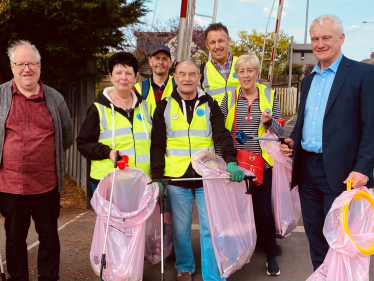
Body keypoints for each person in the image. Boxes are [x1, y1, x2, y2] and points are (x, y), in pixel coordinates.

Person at [280, 15, 374, 271]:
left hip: (344, 173)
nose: (320, 44)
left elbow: (371, 126)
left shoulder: (364, 73)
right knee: (317, 239)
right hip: (307, 171)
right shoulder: (308, 80)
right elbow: (304, 122)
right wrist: (293, 141)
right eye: (315, 39)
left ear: (341, 39)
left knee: (342, 242)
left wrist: (364, 168)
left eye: (326, 38)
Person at [151, 59, 244, 281]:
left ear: (199, 78)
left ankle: (213, 273)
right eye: (182, 74)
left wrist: (231, 160)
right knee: (181, 230)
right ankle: (185, 267)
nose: (187, 78)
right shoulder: (164, 107)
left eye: (192, 74)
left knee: (210, 228)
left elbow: (222, 135)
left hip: (206, 176)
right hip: (176, 178)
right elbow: (157, 145)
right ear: (175, 77)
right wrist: (157, 177)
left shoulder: (210, 104)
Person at [0, 40, 73, 281]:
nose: (26, 69)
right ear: (12, 66)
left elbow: (67, 136)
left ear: (39, 66)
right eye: (20, 64)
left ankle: (49, 278)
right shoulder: (0, 96)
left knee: (49, 236)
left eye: (31, 63)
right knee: (14, 238)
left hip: (46, 184)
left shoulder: (55, 98)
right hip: (10, 185)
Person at [221, 54, 284, 276]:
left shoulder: (268, 95)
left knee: (263, 213)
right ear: (236, 74)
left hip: (262, 166)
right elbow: (221, 131)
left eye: (250, 70)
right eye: (241, 71)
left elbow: (280, 131)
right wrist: (223, 161)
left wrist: (270, 122)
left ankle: (270, 256)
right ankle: (235, 255)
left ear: (257, 73)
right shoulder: (229, 98)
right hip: (236, 166)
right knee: (234, 213)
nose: (246, 75)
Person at [77, 52, 152, 193]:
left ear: (136, 78)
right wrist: (107, 152)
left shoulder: (147, 108)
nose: (123, 78)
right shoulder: (97, 109)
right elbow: (83, 143)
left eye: (129, 73)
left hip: (142, 181)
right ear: (111, 76)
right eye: (118, 73)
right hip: (108, 182)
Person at [200, 23, 240, 107]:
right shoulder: (201, 71)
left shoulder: (243, 65)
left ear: (228, 41)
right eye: (212, 42)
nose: (217, 46)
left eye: (221, 41)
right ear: (207, 45)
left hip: (240, 120)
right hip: (214, 119)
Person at [134, 44, 176, 114]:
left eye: (164, 58)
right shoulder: (139, 89)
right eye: (157, 58)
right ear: (150, 62)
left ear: (170, 63)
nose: (160, 62)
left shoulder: (178, 86)